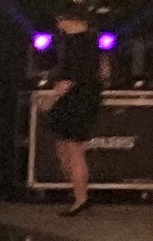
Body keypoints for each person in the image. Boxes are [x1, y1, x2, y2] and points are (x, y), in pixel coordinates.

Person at [42, 12, 106, 213]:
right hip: (85, 97)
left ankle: (80, 198)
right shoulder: (93, 41)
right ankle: (78, 192)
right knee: (67, 146)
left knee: (73, 148)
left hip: (76, 100)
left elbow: (69, 77)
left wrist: (51, 98)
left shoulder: (76, 44)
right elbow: (103, 71)